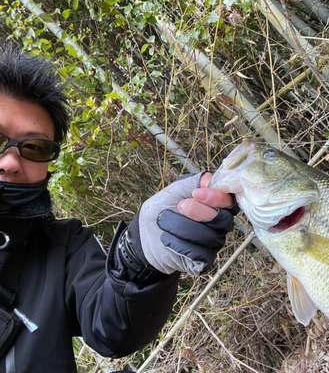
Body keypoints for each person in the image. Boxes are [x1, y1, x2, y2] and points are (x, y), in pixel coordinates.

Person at [0, 43, 239, 372]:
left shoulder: (62, 247)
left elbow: (109, 327)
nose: (12, 160)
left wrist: (141, 256)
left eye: (35, 147)